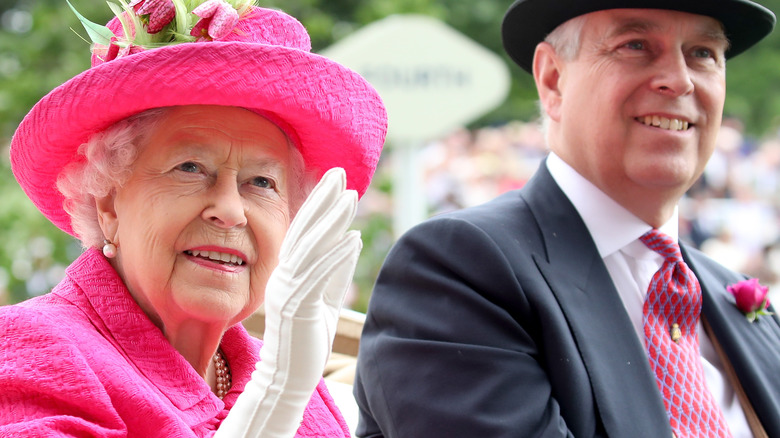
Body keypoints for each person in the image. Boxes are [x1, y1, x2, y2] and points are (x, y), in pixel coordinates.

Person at [353, 1, 780, 437]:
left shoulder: (737, 302)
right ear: (553, 80)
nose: (679, 79)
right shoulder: (457, 270)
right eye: (635, 45)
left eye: (703, 53)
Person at [0, 0, 386, 436]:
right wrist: (274, 398)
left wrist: (284, 384)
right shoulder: (26, 349)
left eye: (261, 182)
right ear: (107, 202)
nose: (230, 210)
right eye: (190, 168)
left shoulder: (292, 376)